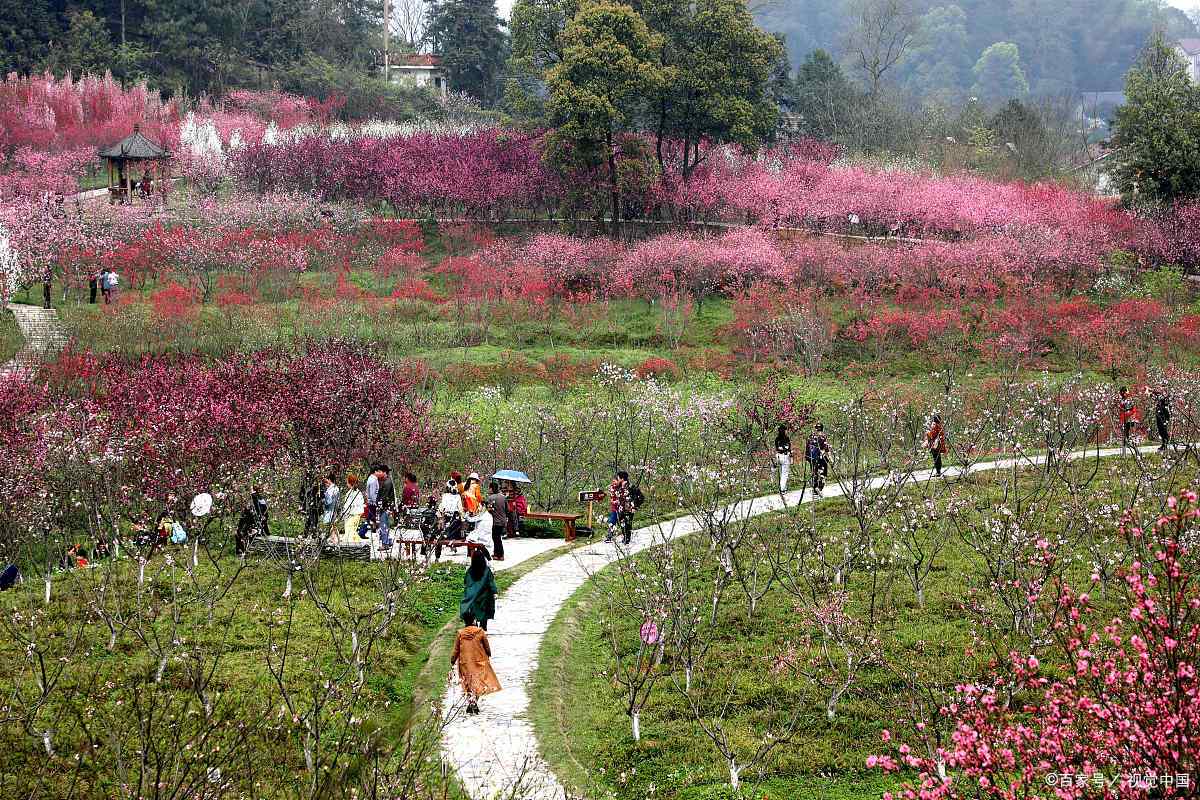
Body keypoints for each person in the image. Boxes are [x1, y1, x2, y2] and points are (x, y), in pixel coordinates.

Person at [451, 611, 501, 716]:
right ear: (474, 620)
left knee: (468, 683)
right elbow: (486, 646)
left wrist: (453, 660)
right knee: (477, 682)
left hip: (465, 663)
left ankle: (471, 702)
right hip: (479, 662)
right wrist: (489, 654)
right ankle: (473, 703)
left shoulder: (460, 633)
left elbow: (456, 649)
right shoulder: (480, 632)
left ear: (465, 621)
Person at [461, 549, 498, 630]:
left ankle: (473, 628)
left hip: (473, 597)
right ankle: (483, 629)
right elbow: (491, 582)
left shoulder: (470, 571)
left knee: (473, 613)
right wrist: (494, 592)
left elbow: (466, 583)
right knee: (484, 615)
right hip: (484, 597)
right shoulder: (486, 570)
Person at [236, 487, 270, 556]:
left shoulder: (261, 503)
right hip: (248, 525)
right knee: (240, 534)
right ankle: (241, 551)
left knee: (250, 534)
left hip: (256, 526)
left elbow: (265, 516)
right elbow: (244, 518)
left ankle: (246, 551)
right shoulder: (249, 505)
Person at [607, 471, 635, 545]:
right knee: (612, 521)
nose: (614, 483)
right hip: (617, 508)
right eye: (613, 481)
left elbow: (625, 497)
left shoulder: (626, 486)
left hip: (625, 508)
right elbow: (612, 496)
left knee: (626, 523)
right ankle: (611, 536)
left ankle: (626, 538)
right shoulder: (614, 487)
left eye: (616, 480)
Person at [806, 422, 831, 496]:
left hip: (811, 458)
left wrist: (807, 457)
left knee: (814, 472)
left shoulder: (811, 436)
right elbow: (826, 448)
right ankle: (819, 487)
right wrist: (830, 458)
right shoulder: (822, 436)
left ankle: (815, 487)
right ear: (822, 428)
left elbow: (807, 447)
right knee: (822, 472)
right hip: (820, 458)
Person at [486, 481, 508, 561]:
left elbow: (489, 509)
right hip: (503, 520)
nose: (488, 489)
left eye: (489, 488)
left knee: (496, 538)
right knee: (497, 537)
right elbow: (507, 509)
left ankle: (500, 555)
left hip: (496, 521)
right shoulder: (503, 497)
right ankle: (496, 552)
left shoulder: (491, 498)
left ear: (492, 488)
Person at [376, 465, 396, 553]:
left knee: (384, 525)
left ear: (384, 472)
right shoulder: (385, 481)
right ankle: (388, 541)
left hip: (385, 507)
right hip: (386, 507)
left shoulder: (387, 482)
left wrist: (379, 504)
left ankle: (385, 543)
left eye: (380, 472)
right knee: (385, 525)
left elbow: (384, 497)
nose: (378, 473)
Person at [341, 474, 366, 543]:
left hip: (352, 514)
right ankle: (355, 543)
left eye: (347, 482)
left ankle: (352, 545)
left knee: (350, 532)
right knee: (352, 531)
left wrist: (344, 513)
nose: (346, 484)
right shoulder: (357, 492)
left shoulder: (352, 493)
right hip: (356, 514)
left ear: (350, 483)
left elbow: (348, 505)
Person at [1118, 387, 1139, 453]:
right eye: (1127, 391)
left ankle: (1136, 450)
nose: (1128, 392)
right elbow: (1122, 410)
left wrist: (1128, 413)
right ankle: (1124, 451)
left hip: (1130, 419)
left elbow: (1132, 409)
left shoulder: (1129, 400)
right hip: (1125, 419)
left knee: (1131, 434)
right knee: (1125, 435)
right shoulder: (1122, 401)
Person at [774, 425, 792, 493]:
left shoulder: (777, 439)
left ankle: (784, 487)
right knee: (785, 473)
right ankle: (782, 489)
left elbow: (777, 448)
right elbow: (788, 448)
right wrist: (791, 456)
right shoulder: (786, 438)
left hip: (778, 456)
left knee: (781, 472)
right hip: (784, 456)